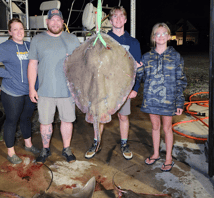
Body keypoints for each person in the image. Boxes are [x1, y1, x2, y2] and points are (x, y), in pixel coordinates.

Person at [85, 6, 142, 160]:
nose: (118, 19)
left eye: (121, 16)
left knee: (123, 117)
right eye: (114, 16)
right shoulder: (102, 39)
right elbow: (91, 61)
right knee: (100, 116)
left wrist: (134, 88)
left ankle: (124, 143)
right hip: (104, 87)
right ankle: (96, 143)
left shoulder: (133, 42)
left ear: (125, 19)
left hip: (124, 87)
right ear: (110, 21)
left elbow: (137, 68)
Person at [0, 18, 39, 165]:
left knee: (27, 118)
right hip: (12, 92)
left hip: (30, 91)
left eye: (21, 28)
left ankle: (28, 144)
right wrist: (6, 74)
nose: (19, 32)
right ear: (10, 32)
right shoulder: (6, 47)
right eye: (15, 29)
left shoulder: (29, 45)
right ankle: (11, 152)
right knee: (12, 121)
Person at [28, 8, 80, 164]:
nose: (55, 23)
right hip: (45, 90)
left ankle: (67, 148)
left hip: (68, 91)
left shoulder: (73, 39)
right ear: (47, 22)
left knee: (67, 121)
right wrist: (32, 88)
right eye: (52, 20)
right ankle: (45, 149)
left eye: (58, 20)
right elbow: (32, 65)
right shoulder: (37, 39)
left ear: (63, 22)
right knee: (45, 122)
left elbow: (80, 64)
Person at [136, 23, 187, 172]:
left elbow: (180, 80)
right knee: (155, 127)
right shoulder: (146, 57)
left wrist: (179, 102)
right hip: (151, 99)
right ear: (153, 37)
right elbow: (143, 78)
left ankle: (169, 158)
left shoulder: (176, 56)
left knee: (167, 128)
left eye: (164, 33)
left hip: (169, 99)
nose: (161, 36)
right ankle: (156, 154)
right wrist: (138, 69)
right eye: (157, 34)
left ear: (169, 36)